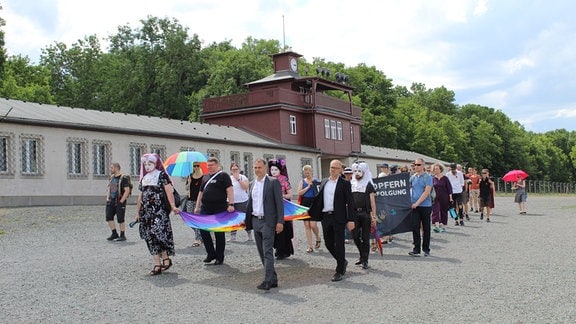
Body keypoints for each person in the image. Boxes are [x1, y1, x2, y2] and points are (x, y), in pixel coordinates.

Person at [306, 159, 356, 282]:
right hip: (326, 216)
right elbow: (318, 199)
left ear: (340, 170)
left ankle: (339, 270)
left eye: (335, 168)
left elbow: (350, 202)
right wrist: (309, 212)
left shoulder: (344, 184)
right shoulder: (324, 182)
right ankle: (342, 261)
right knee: (328, 243)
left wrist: (351, 220)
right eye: (331, 167)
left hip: (338, 217)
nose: (332, 170)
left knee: (339, 243)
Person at [133, 153, 179, 275]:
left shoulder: (161, 175)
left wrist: (173, 206)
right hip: (146, 213)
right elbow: (140, 197)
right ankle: (158, 264)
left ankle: (166, 259)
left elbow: (169, 192)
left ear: (156, 163)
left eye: (150, 163)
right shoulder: (144, 179)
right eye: (145, 164)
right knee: (150, 238)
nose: (147, 166)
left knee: (160, 235)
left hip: (159, 212)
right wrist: (137, 212)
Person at [244, 158, 284, 290]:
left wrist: (280, 221)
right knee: (261, 251)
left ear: (265, 168)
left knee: (267, 251)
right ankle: (273, 278)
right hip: (256, 220)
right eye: (255, 168)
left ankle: (267, 281)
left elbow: (279, 203)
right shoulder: (252, 183)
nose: (257, 170)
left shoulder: (273, 182)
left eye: (259, 167)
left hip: (268, 221)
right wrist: (247, 220)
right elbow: (250, 203)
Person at [194, 157, 234, 265]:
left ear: (217, 165)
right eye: (208, 166)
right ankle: (210, 253)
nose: (209, 168)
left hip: (219, 207)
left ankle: (219, 256)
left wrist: (231, 204)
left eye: (211, 165)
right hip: (206, 208)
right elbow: (200, 192)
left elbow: (229, 189)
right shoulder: (206, 177)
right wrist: (197, 206)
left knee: (219, 232)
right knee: (203, 230)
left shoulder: (223, 176)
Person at [350, 162, 377, 269]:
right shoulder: (351, 184)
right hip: (354, 213)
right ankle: (362, 255)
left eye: (359, 171)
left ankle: (365, 260)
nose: (357, 173)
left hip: (365, 214)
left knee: (365, 238)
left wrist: (373, 216)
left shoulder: (368, 185)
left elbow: (373, 202)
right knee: (355, 236)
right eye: (355, 171)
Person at [268, 159, 294, 260]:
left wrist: (281, 196)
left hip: (283, 208)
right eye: (272, 169)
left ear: (280, 170)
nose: (273, 171)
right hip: (271, 208)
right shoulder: (268, 179)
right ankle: (277, 248)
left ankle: (282, 250)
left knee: (283, 229)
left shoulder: (284, 179)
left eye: (275, 169)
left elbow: (290, 194)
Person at [409, 158, 433, 257]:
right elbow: (408, 189)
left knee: (426, 227)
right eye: (415, 164)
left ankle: (426, 249)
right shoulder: (412, 177)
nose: (416, 166)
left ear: (423, 165)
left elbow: (427, 192)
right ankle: (416, 249)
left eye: (419, 164)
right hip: (414, 206)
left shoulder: (427, 177)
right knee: (415, 227)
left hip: (425, 206)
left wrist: (417, 203)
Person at [296, 165, 321, 253]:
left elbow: (319, 193)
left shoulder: (316, 181)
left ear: (311, 172)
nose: (307, 174)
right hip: (305, 203)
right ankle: (310, 246)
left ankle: (318, 238)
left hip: (313, 203)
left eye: (308, 172)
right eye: (305, 173)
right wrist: (307, 187)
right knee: (307, 225)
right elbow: (299, 193)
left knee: (313, 225)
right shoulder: (302, 181)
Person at [105, 162, 131, 241]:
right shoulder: (112, 177)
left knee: (120, 218)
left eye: (112, 168)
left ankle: (122, 235)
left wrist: (122, 201)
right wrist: (107, 198)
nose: (111, 169)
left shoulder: (123, 178)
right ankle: (114, 233)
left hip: (119, 200)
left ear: (116, 168)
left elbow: (127, 190)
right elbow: (109, 188)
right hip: (111, 200)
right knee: (109, 217)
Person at [228, 162, 252, 241]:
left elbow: (245, 187)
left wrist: (238, 179)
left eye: (236, 169)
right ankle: (233, 236)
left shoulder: (243, 177)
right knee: (233, 219)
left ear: (239, 170)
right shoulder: (229, 178)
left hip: (242, 201)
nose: (234, 171)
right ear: (231, 170)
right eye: (233, 169)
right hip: (232, 202)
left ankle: (249, 235)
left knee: (244, 218)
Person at [185, 162, 204, 247]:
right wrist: (189, 182)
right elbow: (186, 188)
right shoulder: (190, 176)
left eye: (197, 166)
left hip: (199, 201)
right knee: (190, 220)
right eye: (194, 166)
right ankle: (202, 234)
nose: (196, 167)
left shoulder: (203, 177)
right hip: (190, 200)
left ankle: (197, 239)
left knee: (197, 219)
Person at [431, 163, 452, 233]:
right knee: (435, 211)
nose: (435, 170)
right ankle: (436, 226)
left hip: (444, 197)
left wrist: (450, 198)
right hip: (435, 198)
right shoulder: (433, 178)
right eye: (434, 169)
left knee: (444, 212)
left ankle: (443, 227)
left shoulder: (445, 178)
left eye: (437, 169)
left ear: (440, 170)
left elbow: (449, 188)